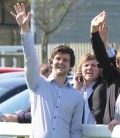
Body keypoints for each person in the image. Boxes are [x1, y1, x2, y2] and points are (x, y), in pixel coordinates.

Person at [10, 3, 83, 138]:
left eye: (65, 60)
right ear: (52, 61)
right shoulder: (37, 83)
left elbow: (75, 130)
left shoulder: (77, 97)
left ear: (70, 65)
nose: (61, 62)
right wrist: (25, 30)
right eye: (58, 59)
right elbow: (30, 59)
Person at [73, 53, 106, 124]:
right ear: (80, 71)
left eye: (93, 65)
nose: (89, 68)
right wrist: (76, 89)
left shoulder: (106, 89)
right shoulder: (76, 90)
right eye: (86, 65)